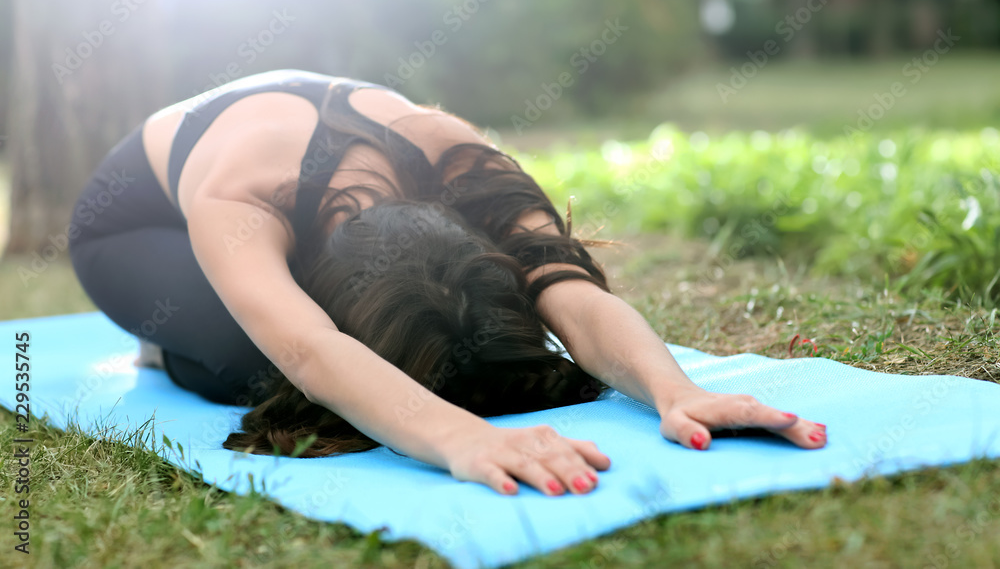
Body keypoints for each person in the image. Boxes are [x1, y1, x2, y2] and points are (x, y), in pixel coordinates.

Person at [68, 69, 827, 497]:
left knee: (448, 323)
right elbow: (310, 348)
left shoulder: (455, 156)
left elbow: (566, 288)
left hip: (311, 198)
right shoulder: (242, 191)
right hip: (132, 226)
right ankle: (163, 347)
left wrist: (675, 390)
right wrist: (459, 436)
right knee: (258, 362)